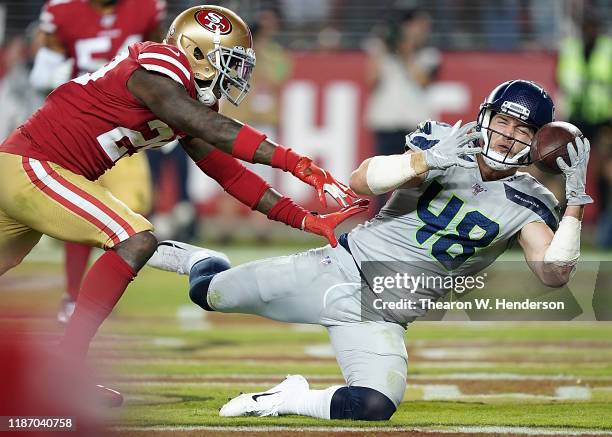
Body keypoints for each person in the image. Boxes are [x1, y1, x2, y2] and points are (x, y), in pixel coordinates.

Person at [148, 80, 593, 421]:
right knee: (207, 292)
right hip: (339, 270)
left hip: (385, 315)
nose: (507, 137)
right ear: (485, 117)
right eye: (503, 122)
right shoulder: (444, 141)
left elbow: (553, 274)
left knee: (375, 403)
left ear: (536, 142)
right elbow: (360, 180)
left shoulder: (531, 199)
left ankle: (291, 397)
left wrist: (574, 199)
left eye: (522, 130)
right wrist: (425, 161)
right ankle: (197, 259)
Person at [0, 4, 362, 396]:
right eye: (230, 60)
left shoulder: (189, 100)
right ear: (197, 51)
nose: (237, 74)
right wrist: (294, 161)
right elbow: (209, 126)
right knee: (135, 238)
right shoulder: (160, 64)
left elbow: (229, 173)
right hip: (34, 165)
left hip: (30, 169)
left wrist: (304, 219)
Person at [30, 0, 167, 323]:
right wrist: (54, 75)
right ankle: (75, 297)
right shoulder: (61, 10)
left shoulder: (146, 7)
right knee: (79, 212)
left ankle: (93, 296)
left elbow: (160, 54)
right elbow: (43, 72)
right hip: (77, 126)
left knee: (133, 214)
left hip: (125, 131)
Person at [365, 9, 440, 210]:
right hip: (386, 120)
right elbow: (370, 79)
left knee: (415, 175)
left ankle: (410, 218)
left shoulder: (429, 54)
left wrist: (406, 53)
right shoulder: (383, 50)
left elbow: (422, 81)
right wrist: (384, 48)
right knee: (381, 175)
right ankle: (377, 219)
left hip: (416, 123)